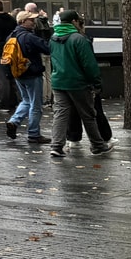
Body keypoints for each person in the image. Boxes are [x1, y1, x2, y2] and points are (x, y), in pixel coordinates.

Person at [50, 9, 111, 157]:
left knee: (61, 114)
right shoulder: (79, 39)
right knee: (88, 114)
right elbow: (89, 65)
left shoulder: (53, 38)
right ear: (74, 22)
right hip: (77, 83)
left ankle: (56, 146)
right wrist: (96, 83)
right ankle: (97, 145)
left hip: (58, 82)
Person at [4, 9, 50, 144]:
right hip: (32, 74)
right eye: (31, 20)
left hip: (18, 74)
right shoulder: (29, 37)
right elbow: (47, 48)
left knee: (26, 100)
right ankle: (34, 133)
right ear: (23, 21)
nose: (34, 22)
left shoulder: (11, 36)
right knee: (36, 105)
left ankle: (14, 121)